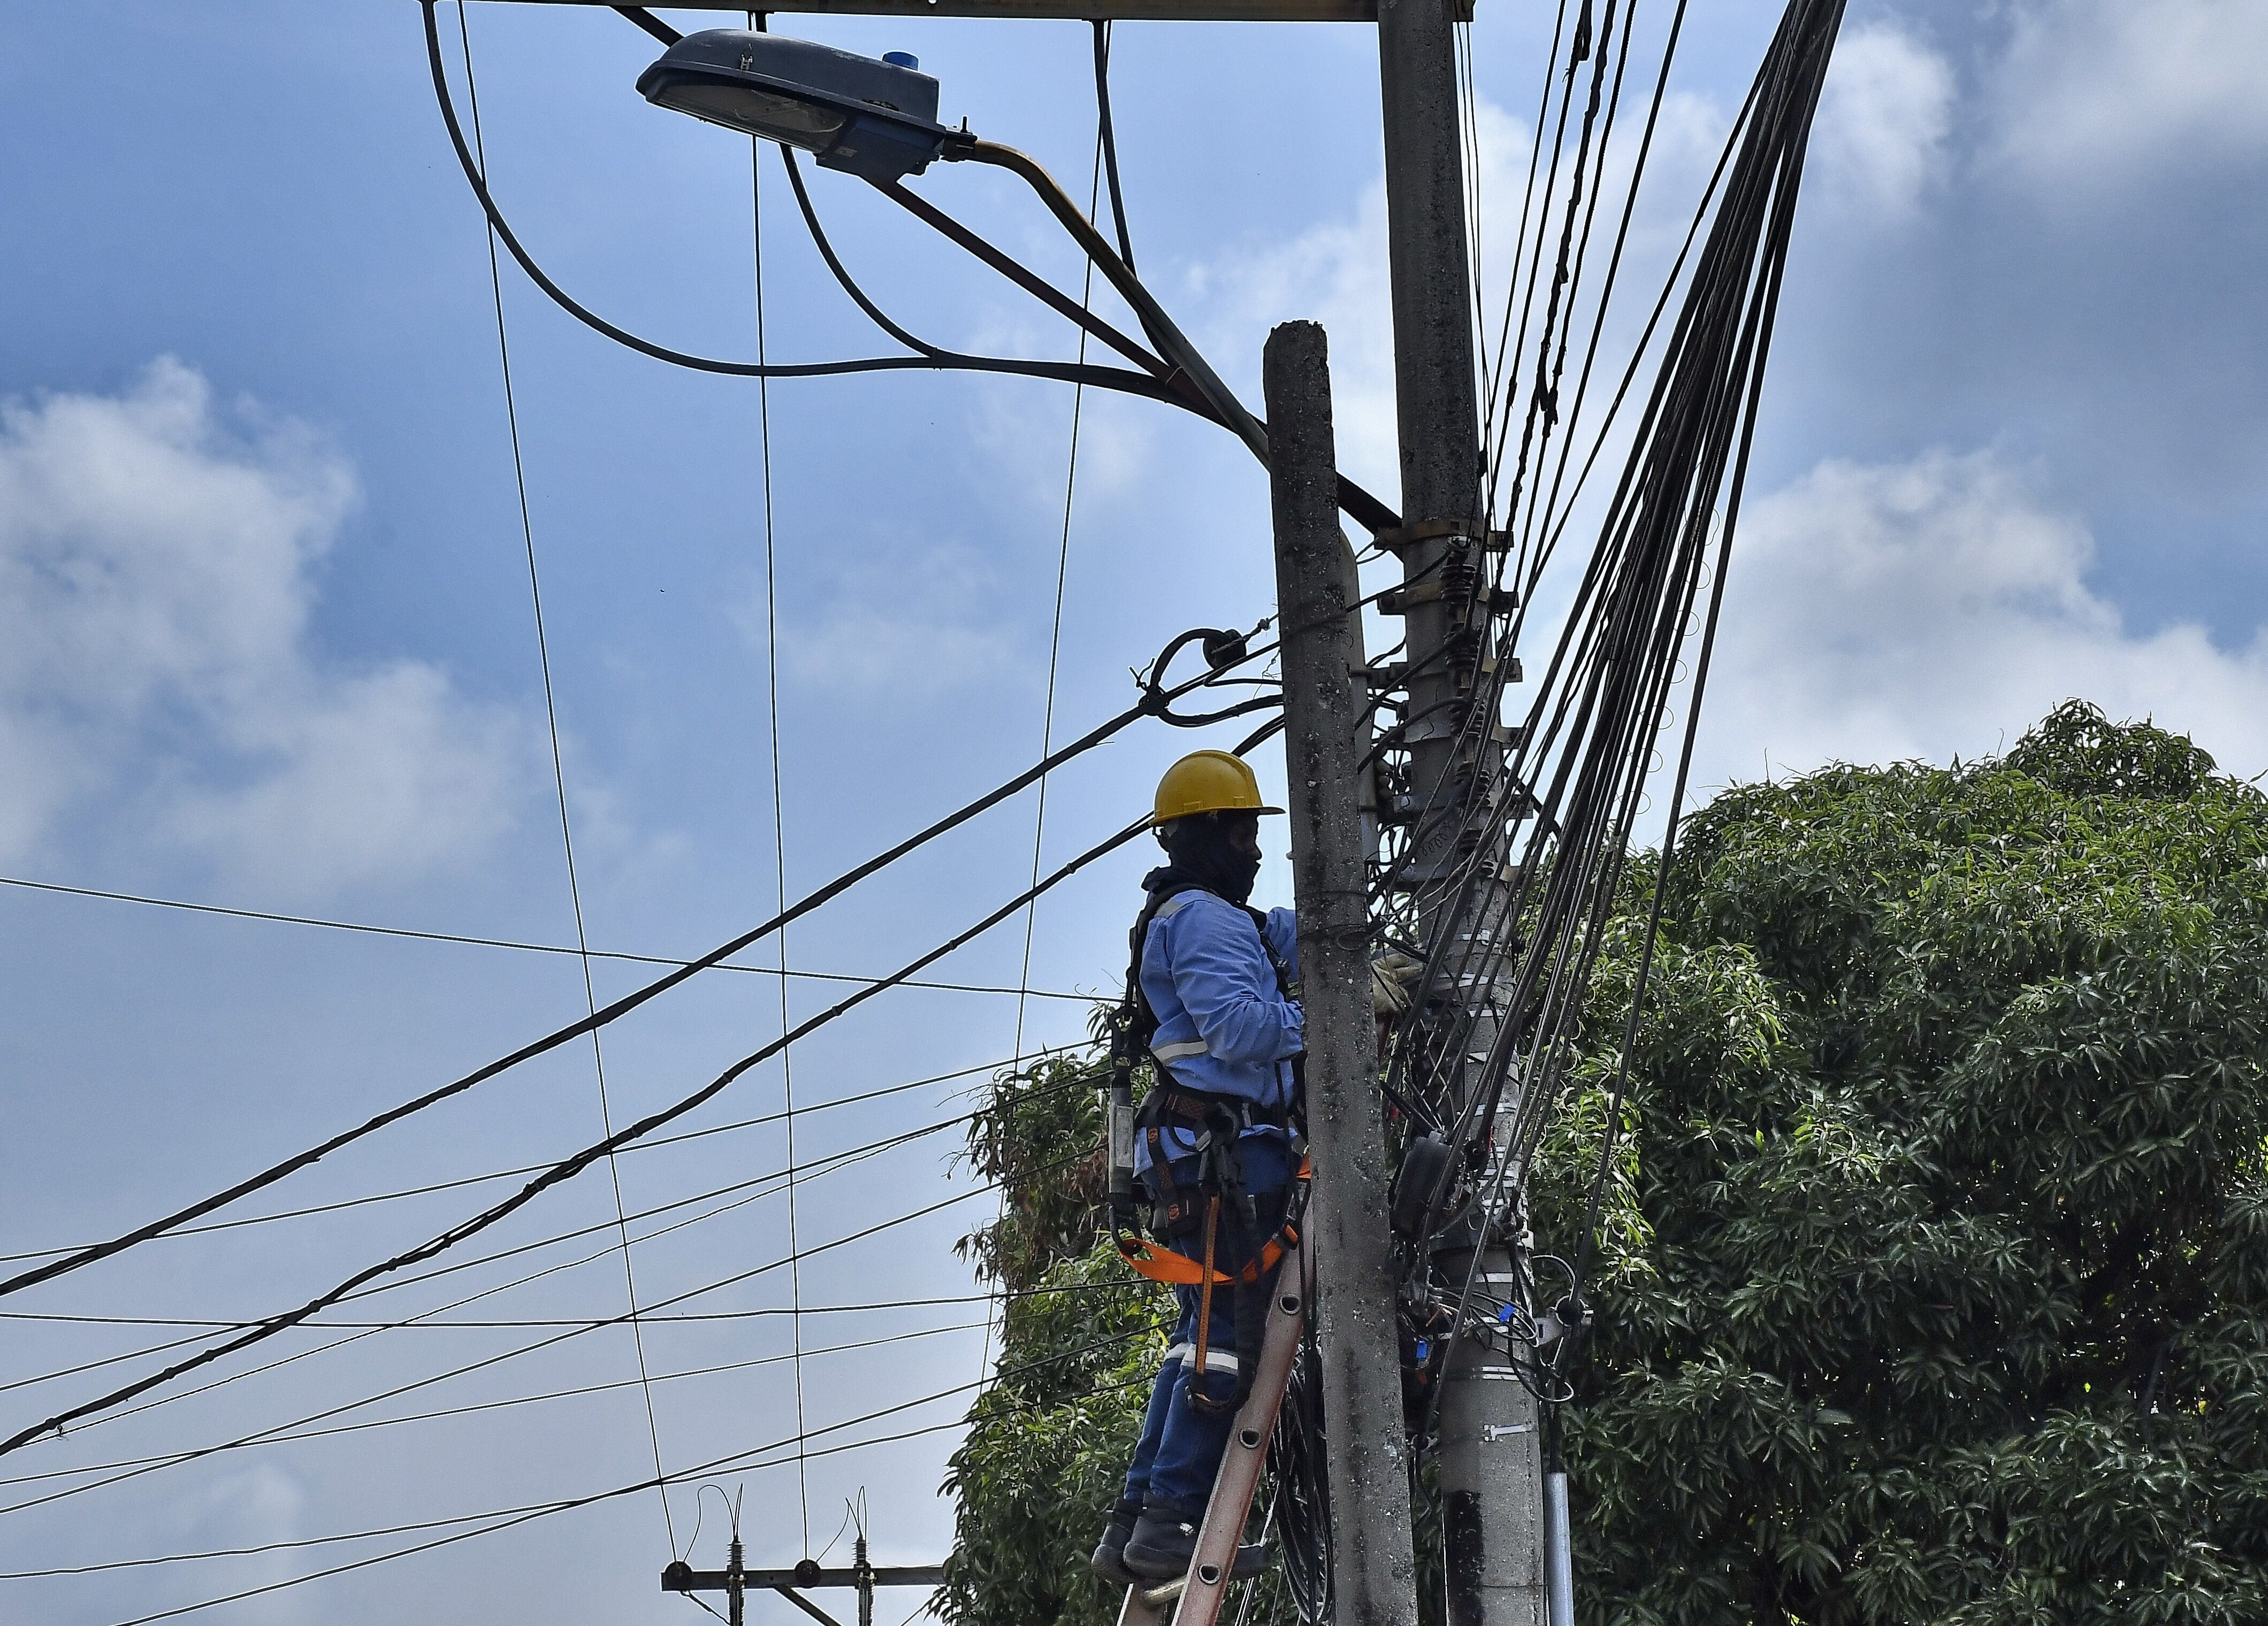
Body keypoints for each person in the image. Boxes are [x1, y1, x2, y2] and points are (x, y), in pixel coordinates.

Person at [1092, 750, 1304, 1586]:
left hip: (1200, 1158)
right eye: (1244, 830)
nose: (1255, 850)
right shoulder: (1206, 921)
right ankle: (1172, 1521)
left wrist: (1362, 945)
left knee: (1196, 1342)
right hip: (1228, 1159)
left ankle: (1139, 1523)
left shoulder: (1215, 918)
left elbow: (1303, 932)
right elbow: (1244, 1031)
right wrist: (1338, 1009)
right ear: (1209, 833)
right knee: (1225, 1343)